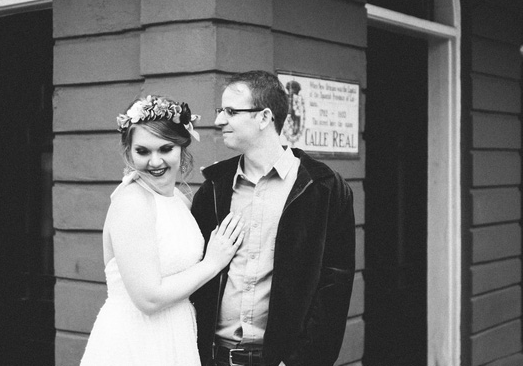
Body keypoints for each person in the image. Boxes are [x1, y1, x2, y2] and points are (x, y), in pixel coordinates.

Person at [190, 71, 355, 366]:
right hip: (215, 358)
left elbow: (334, 290)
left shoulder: (325, 188)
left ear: (264, 117)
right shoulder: (213, 189)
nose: (219, 121)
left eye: (230, 112)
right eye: (220, 111)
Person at [80, 95, 245, 366]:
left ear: (182, 147)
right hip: (137, 340)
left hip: (177, 334)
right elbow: (149, 298)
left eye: (165, 149)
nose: (155, 161)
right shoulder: (132, 202)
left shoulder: (179, 200)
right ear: (129, 153)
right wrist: (213, 262)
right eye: (143, 151)